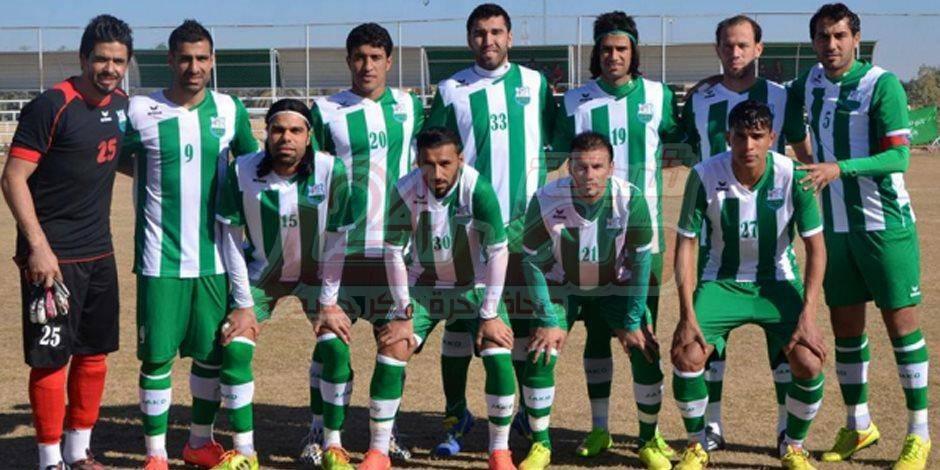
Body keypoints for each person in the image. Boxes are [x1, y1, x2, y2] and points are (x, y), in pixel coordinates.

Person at [790, 4, 930, 469]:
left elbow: (899, 158)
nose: (831, 45)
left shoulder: (881, 84)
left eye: (839, 36)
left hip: (883, 225)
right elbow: (788, 120)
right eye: (822, 37)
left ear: (856, 39)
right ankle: (859, 424)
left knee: (901, 328)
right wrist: (808, 158)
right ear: (813, 42)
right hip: (834, 228)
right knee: (847, 330)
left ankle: (919, 433)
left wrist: (838, 168)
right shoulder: (808, 82)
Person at [119, 19, 259, 470]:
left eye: (201, 58)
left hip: (215, 261)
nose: (193, 67)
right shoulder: (140, 110)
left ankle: (199, 441)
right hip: (159, 260)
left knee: (211, 356)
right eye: (185, 58)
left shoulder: (230, 109)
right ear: (170, 60)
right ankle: (155, 455)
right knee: (156, 359)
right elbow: (112, 157)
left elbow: (252, 165)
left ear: (213, 61)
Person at [1, 14, 132, 470]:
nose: (109, 69)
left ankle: (78, 452)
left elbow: (119, 159)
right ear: (82, 58)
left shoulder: (123, 106)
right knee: (51, 357)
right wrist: (37, 246)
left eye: (118, 61)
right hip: (53, 259)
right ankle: (49, 459)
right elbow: (13, 177)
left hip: (101, 252)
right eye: (101, 59)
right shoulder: (52, 105)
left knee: (94, 354)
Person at [425, 3, 557, 454]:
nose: (489, 40)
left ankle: (523, 414)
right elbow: (433, 154)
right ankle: (455, 413)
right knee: (461, 323)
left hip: (525, 227)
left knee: (520, 323)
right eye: (480, 33)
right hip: (468, 227)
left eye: (497, 32)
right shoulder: (451, 90)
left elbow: (553, 137)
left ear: (510, 37)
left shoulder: (535, 84)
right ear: (469, 39)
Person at [550, 10, 681, 459]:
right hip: (589, 240)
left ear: (633, 51)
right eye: (606, 49)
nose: (613, 56)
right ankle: (599, 429)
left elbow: (679, 140)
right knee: (596, 337)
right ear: (596, 53)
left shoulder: (659, 96)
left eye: (621, 48)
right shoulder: (576, 101)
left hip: (644, 240)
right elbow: (553, 154)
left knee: (642, 337)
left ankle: (649, 436)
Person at [678, 14, 813, 451]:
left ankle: (785, 428)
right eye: (727, 45)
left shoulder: (781, 96)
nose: (734, 52)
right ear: (717, 48)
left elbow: (802, 152)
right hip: (714, 234)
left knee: (785, 342)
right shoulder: (699, 98)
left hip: (771, 237)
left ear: (759, 48)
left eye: (743, 45)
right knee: (707, 342)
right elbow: (687, 149)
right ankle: (711, 425)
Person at [670, 100, 826, 470]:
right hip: (721, 281)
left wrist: (809, 316)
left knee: (809, 360)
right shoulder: (704, 174)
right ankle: (697, 444)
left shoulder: (794, 175)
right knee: (687, 353)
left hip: (777, 282)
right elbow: (685, 244)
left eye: (757, 136)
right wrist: (686, 314)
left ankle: (793, 445)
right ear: (729, 137)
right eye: (740, 136)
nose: (748, 145)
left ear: (772, 137)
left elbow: (816, 249)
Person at [357, 126, 517, 470]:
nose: (437, 173)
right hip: (423, 284)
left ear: (460, 159)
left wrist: (490, 313)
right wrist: (403, 312)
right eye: (428, 164)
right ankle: (378, 452)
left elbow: (498, 251)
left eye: (445, 163)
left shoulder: (478, 188)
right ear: (418, 162)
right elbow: (393, 251)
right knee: (392, 346)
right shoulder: (405, 188)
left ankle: (499, 451)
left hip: (473, 284)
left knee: (498, 349)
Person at [305, 22, 424, 470]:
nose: (367, 65)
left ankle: (385, 436)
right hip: (338, 250)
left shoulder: (410, 107)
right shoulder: (326, 110)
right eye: (359, 57)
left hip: (396, 251)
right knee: (331, 345)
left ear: (389, 61)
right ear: (348, 60)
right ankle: (321, 433)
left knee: (393, 345)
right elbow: (309, 173)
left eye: (376, 57)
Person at [211, 98, 352, 470]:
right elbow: (230, 238)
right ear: (266, 134)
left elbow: (337, 239)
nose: (285, 138)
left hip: (316, 276)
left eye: (295, 130)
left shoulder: (330, 170)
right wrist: (243, 304)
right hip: (263, 275)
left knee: (336, 348)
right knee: (235, 348)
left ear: (309, 136)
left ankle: (333, 445)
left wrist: (329, 302)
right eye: (277, 130)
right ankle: (245, 452)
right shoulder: (241, 170)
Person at [517, 131, 663, 470]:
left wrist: (633, 321)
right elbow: (532, 261)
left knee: (645, 348)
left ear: (611, 168)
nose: (589, 175)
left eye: (597, 167)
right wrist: (547, 318)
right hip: (563, 286)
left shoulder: (630, 198)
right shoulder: (545, 198)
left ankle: (646, 440)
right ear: (570, 168)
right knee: (540, 352)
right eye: (581, 167)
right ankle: (541, 445)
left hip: (615, 285)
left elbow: (641, 262)